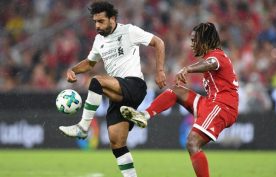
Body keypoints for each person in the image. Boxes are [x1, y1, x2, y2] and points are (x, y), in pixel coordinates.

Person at [59, 1, 166, 177]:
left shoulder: (129, 31)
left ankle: (83, 127)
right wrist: (73, 70)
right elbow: (90, 63)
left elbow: (158, 42)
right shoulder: (99, 40)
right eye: (95, 21)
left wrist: (160, 71)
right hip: (118, 93)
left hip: (134, 85)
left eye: (101, 21)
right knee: (117, 143)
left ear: (112, 19)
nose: (97, 26)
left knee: (96, 82)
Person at [120, 22, 239, 177]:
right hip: (211, 102)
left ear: (205, 40)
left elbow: (211, 63)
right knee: (177, 91)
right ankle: (144, 115)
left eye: (195, 40)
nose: (192, 44)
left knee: (193, 142)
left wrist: (188, 68)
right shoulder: (213, 56)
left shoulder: (217, 56)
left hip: (223, 106)